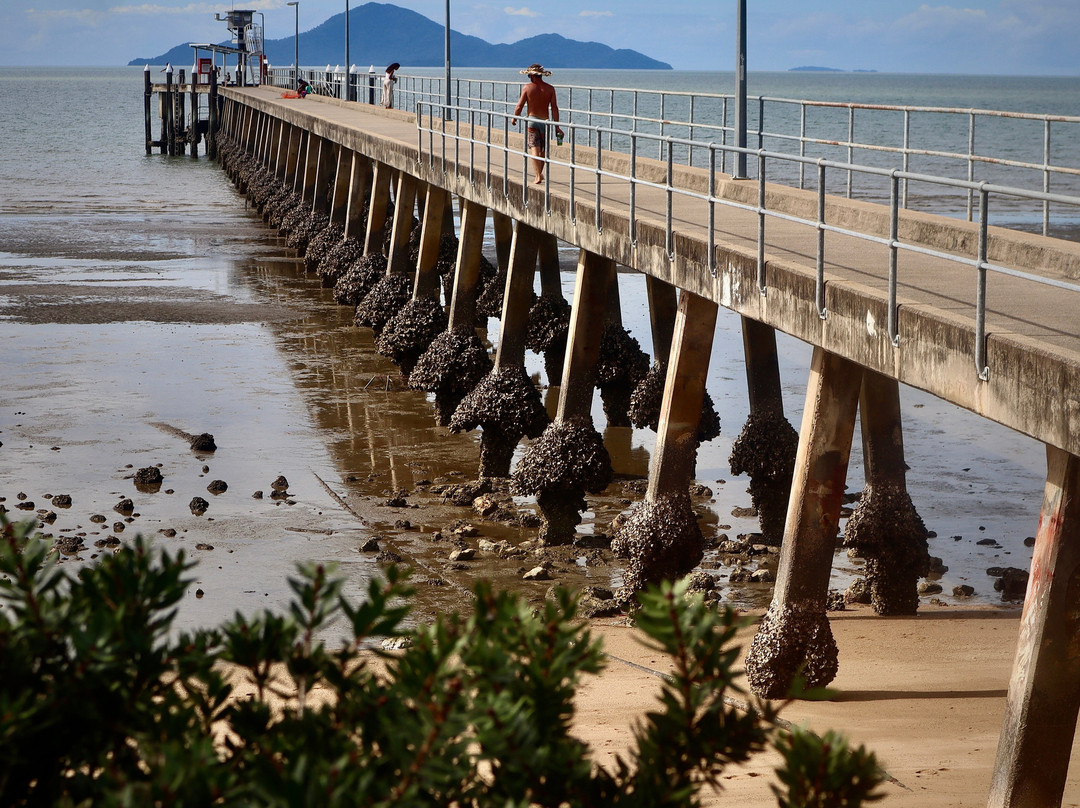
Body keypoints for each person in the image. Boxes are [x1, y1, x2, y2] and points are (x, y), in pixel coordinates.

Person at [511, 64, 564, 185]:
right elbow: (554, 108)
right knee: (543, 150)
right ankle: (539, 173)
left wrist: (514, 118)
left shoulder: (527, 88)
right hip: (545, 121)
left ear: (532, 76)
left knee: (534, 149)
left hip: (533, 121)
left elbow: (519, 105)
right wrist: (557, 126)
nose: (529, 77)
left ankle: (537, 176)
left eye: (529, 75)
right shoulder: (550, 89)